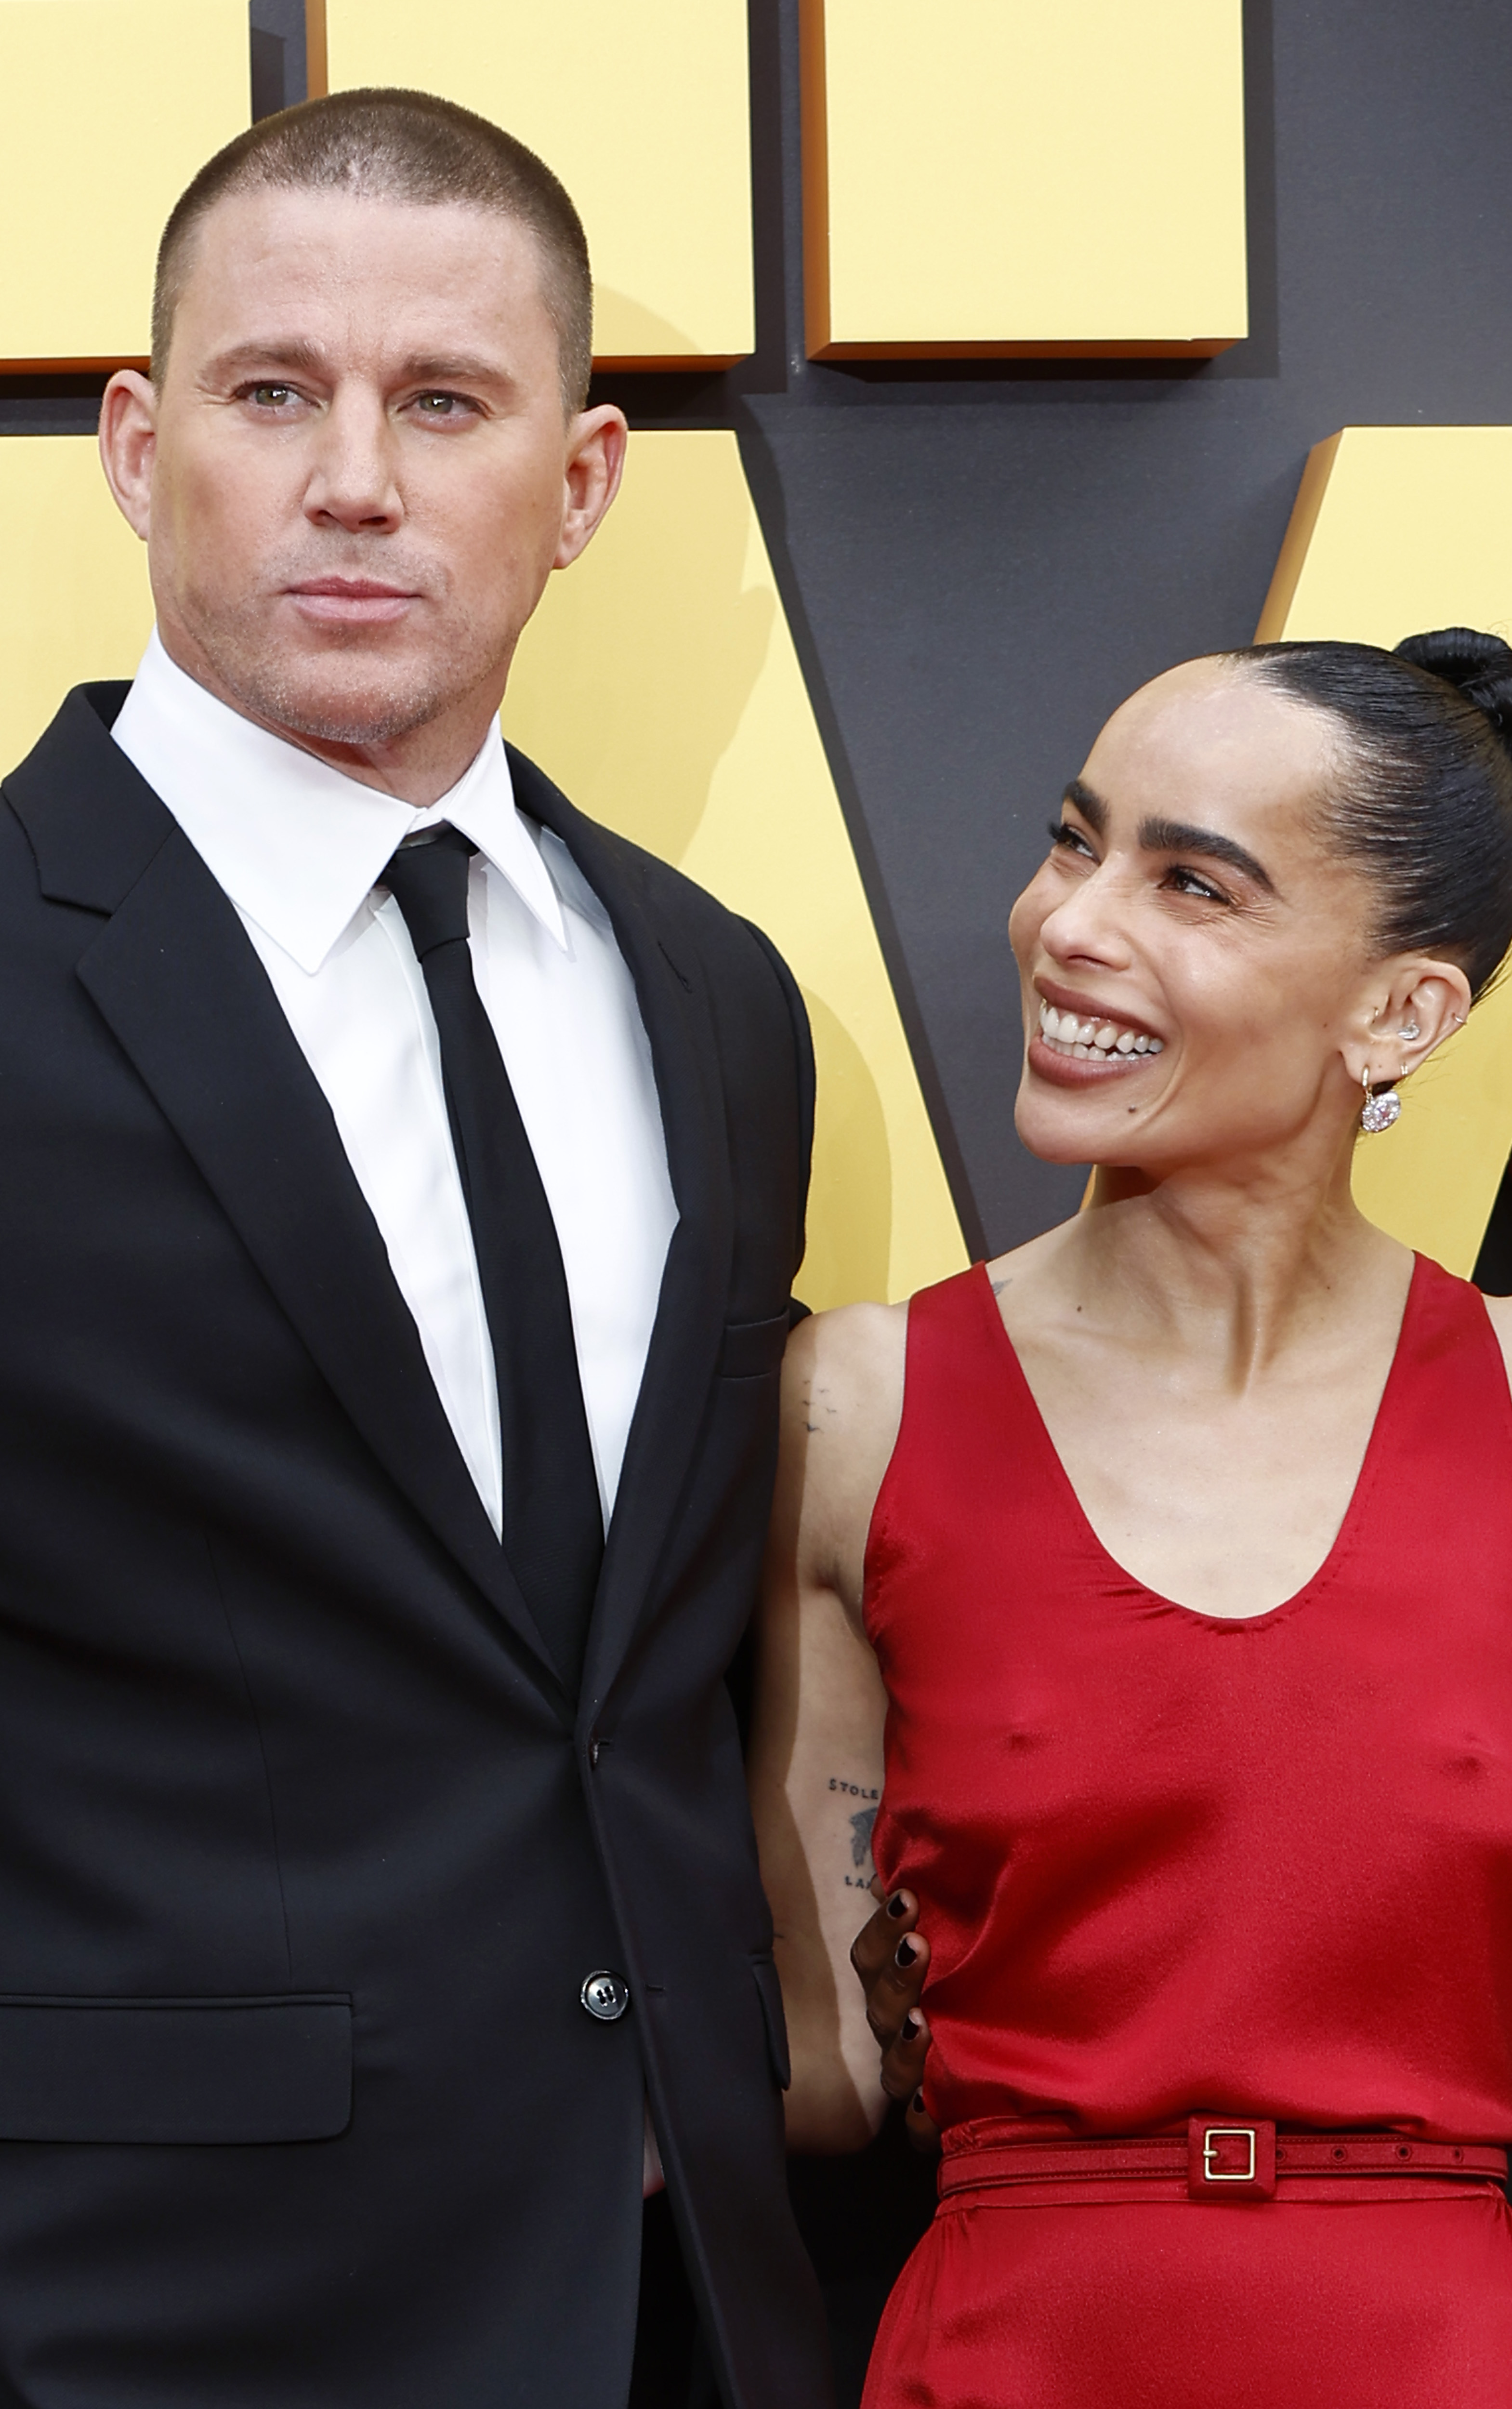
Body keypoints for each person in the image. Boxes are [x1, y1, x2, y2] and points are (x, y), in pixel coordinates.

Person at [0, 87, 832, 2409]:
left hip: (683, 2306)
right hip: (132, 2307)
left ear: (576, 486)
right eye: (278, 393)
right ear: (138, 444)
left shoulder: (714, 993)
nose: (354, 476)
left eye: (444, 402)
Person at [749, 627, 1512, 2408]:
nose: (1070, 922)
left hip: (1442, 2355)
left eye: (1192, 883)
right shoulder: (864, 1400)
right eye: (1078, 840)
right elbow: (820, 2068)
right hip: (1019, 2347)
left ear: (1404, 1011)